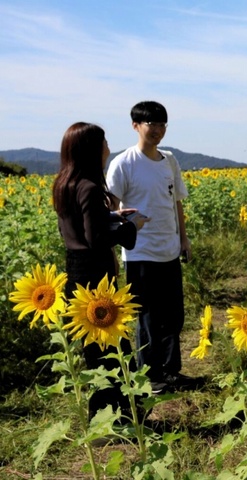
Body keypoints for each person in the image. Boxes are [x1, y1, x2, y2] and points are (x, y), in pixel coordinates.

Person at [53, 122, 150, 421]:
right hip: (96, 277)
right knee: (115, 348)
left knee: (93, 349)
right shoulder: (91, 187)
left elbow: (82, 227)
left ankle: (102, 416)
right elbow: (97, 240)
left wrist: (111, 215)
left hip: (76, 272)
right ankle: (122, 416)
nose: (108, 147)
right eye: (104, 142)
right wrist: (132, 225)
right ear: (92, 150)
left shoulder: (64, 183)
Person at [105, 101, 200, 394]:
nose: (157, 130)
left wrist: (183, 238)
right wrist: (116, 241)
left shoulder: (169, 161)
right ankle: (150, 376)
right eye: (151, 125)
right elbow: (111, 207)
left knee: (173, 315)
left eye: (162, 125)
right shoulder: (124, 163)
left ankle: (172, 371)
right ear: (136, 125)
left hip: (169, 248)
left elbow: (177, 203)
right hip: (139, 251)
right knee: (147, 316)